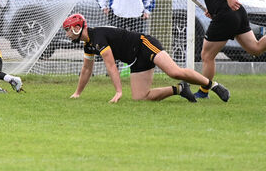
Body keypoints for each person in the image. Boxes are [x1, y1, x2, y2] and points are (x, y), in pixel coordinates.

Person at [62, 13, 229, 103]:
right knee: (140, 97)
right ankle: (179, 89)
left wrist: (119, 91)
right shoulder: (88, 45)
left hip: (144, 45)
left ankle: (213, 85)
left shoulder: (97, 37)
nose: (67, 34)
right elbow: (86, 69)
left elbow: (111, 66)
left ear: (77, 28)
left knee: (174, 71)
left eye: (68, 30)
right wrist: (77, 93)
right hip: (135, 60)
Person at [194, 0, 266, 99]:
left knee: (207, 56)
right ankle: (204, 90)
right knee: (255, 48)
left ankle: (203, 92)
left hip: (226, 16)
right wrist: (213, 8)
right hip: (235, 13)